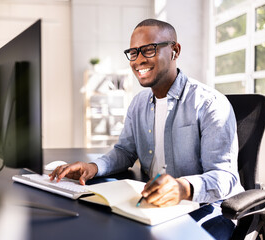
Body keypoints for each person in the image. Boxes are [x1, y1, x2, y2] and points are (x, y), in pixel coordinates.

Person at [50, 18, 244, 239]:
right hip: (154, 206)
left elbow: (224, 177)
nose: (139, 60)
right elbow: (125, 151)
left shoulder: (210, 103)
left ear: (175, 50)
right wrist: (93, 167)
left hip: (206, 208)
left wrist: (183, 187)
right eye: (134, 53)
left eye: (149, 50)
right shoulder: (139, 103)